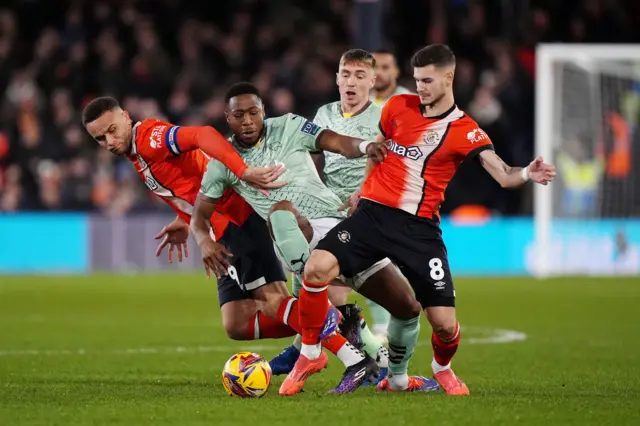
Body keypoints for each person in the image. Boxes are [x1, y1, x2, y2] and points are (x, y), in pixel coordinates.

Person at [303, 44, 557, 395]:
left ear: (448, 78)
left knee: (444, 326)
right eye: (417, 79)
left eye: (426, 80)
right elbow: (377, 149)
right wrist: (363, 187)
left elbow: (502, 174)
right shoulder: (396, 107)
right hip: (372, 216)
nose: (418, 87)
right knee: (315, 269)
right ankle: (311, 353)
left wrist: (527, 172)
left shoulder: (464, 129)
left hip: (418, 230)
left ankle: (441, 368)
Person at [192, 82, 437, 395]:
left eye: (254, 112)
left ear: (263, 111)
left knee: (408, 306)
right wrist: (204, 241)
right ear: (227, 118)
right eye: (239, 115)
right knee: (281, 210)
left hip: (341, 227)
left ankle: (398, 379)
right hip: (297, 235)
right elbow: (199, 216)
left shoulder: (290, 126)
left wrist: (364, 147)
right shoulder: (223, 162)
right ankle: (312, 348)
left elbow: (333, 141)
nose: (248, 120)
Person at [81, 96, 328, 346]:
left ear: (125, 116)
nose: (109, 142)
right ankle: (320, 330)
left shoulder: (150, 138)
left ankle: (343, 334)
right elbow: (193, 176)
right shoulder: (136, 154)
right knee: (237, 323)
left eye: (112, 130)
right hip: (218, 227)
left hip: (236, 216)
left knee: (273, 301)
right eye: (100, 139)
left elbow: (203, 135)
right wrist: (184, 218)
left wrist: (243, 170)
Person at [310, 48, 390, 373]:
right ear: (337, 79)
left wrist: (366, 191)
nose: (351, 83)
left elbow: (392, 167)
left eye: (359, 76)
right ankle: (373, 359)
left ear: (373, 80)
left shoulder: (383, 119)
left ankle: (372, 359)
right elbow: (310, 156)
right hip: (326, 215)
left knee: (328, 296)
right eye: (346, 74)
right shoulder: (323, 113)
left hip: (365, 217)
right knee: (323, 297)